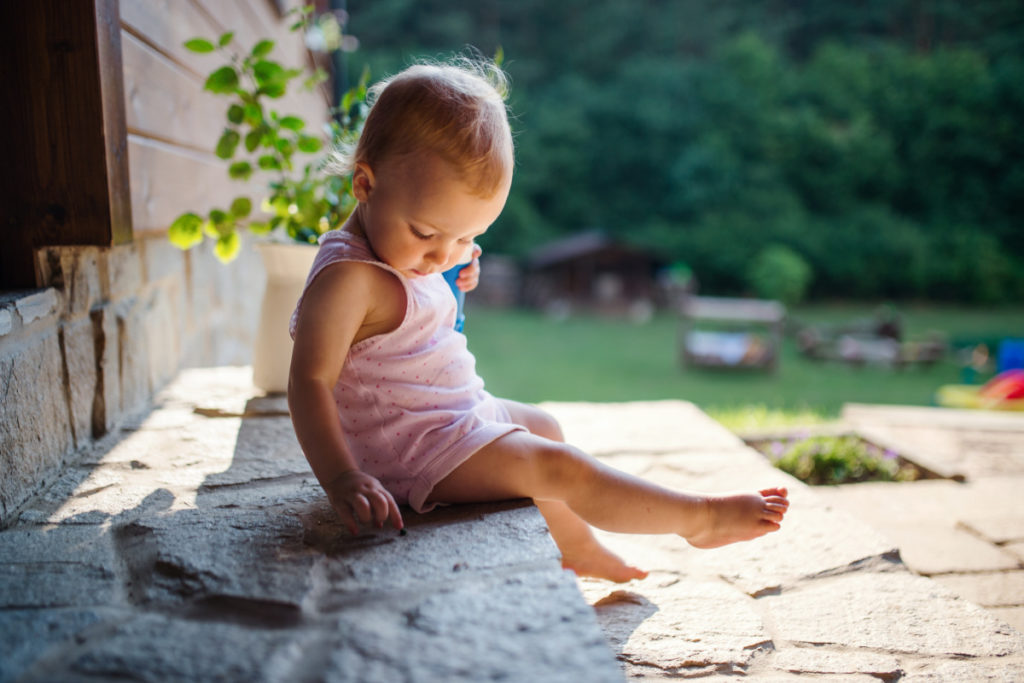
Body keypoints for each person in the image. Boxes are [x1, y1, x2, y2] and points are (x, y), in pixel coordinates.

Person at [288, 58, 789, 583]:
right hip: (414, 451)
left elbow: (407, 332)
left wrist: (450, 275)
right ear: (364, 184)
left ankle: (575, 546)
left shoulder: (401, 251)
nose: (444, 255)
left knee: (546, 428)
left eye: (465, 238)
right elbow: (309, 381)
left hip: (449, 415)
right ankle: (698, 518)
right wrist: (342, 477)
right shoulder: (348, 279)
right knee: (560, 468)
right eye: (428, 233)